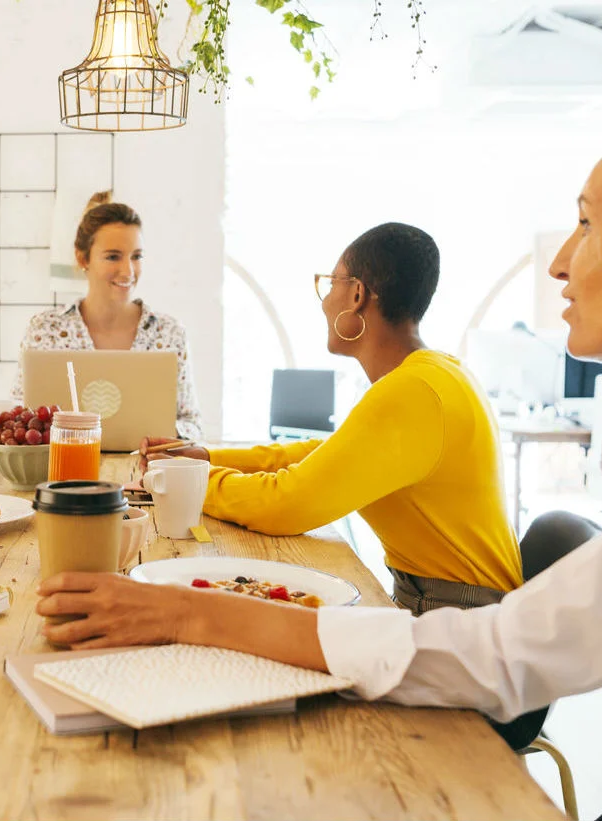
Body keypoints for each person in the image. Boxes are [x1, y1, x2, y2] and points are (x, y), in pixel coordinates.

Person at [42, 94, 602, 820]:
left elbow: (495, 655)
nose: (561, 262)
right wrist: (206, 465)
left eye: (588, 224)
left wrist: (186, 612)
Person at [144, 222, 520, 610]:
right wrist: (205, 458)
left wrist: (189, 481)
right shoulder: (435, 374)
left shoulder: (413, 391)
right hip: (448, 603)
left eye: (331, 283)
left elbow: (285, 504)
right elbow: (319, 455)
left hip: (463, 618)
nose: (325, 301)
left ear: (357, 294)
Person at [13, 192, 204, 440]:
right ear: (83, 258)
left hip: (144, 476)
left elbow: (194, 427)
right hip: (61, 475)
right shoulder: (44, 329)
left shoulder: (169, 333)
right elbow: (19, 420)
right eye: (113, 256)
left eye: (137, 256)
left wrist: (160, 436)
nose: (128, 271)